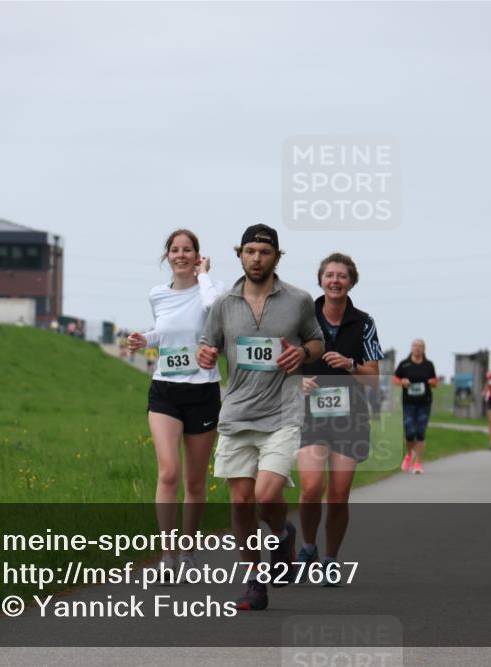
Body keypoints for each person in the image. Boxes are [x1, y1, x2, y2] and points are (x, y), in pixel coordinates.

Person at [197, 224, 324, 610]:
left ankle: (282, 533)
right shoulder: (223, 304)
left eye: (264, 252)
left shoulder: (299, 300)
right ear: (240, 254)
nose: (256, 258)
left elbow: (317, 342)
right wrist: (205, 354)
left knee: (265, 494)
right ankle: (254, 582)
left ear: (276, 257)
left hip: (282, 411)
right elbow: (208, 342)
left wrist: (302, 354)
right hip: (236, 412)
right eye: (250, 251)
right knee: (238, 504)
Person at [127, 229, 226, 576]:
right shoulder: (157, 294)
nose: (181, 255)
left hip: (202, 392)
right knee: (168, 472)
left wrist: (204, 276)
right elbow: (166, 331)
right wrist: (145, 338)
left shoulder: (210, 291)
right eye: (175, 250)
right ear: (167, 256)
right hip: (165, 389)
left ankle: (189, 549)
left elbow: (215, 311)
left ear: (198, 255)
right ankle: (167, 556)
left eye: (188, 250)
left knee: (195, 482)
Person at [297, 253, 383, 586]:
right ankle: (307, 547)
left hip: (350, 416)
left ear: (351, 282)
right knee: (311, 487)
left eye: (342, 276)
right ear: (320, 280)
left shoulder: (364, 322)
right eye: (329, 275)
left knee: (338, 493)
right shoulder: (304, 318)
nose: (335, 281)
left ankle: (331, 558)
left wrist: (350, 365)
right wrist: (296, 381)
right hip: (309, 413)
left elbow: (374, 377)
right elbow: (284, 360)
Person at [394, 339, 438, 474]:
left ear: (424, 349)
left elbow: (436, 382)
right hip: (409, 402)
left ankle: (418, 462)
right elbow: (395, 379)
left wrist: (432, 381)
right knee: (409, 432)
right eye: (415, 346)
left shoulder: (428, 365)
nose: (417, 348)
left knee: (420, 432)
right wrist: (402, 381)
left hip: (424, 403)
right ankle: (409, 455)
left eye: (420, 346)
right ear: (411, 348)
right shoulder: (404, 364)